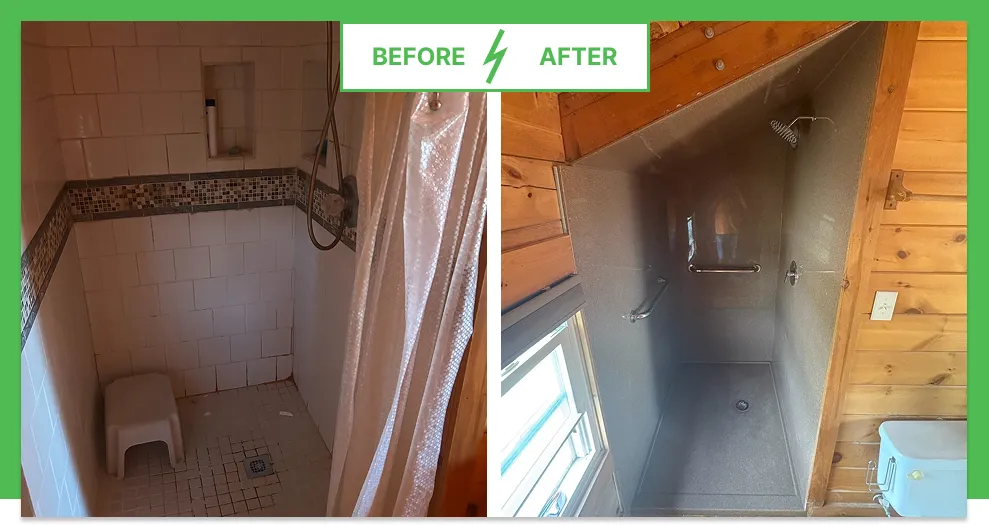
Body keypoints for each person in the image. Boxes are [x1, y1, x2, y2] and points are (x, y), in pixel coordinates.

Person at [712, 184, 747, 263]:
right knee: (728, 257)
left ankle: (727, 269)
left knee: (727, 257)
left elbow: (744, 208)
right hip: (725, 231)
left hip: (728, 231)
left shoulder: (731, 202)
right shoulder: (721, 202)